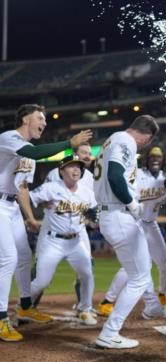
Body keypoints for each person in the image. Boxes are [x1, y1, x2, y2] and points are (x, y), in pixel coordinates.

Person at [0, 103, 92, 342]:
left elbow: (21, 187)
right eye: (40, 118)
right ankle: (0, 319)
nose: (45, 122)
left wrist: (29, 216)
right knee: (8, 258)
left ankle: (25, 306)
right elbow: (35, 154)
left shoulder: (28, 151)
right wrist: (68, 144)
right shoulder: (10, 138)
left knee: (23, 256)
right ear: (25, 120)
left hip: (10, 206)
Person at [93, 114, 166, 349]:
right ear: (147, 136)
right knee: (139, 277)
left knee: (141, 267)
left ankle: (153, 306)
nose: (145, 145)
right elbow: (115, 176)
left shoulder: (112, 140)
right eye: (148, 141)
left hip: (112, 213)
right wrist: (132, 203)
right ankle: (110, 331)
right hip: (118, 213)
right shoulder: (124, 141)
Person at [97, 145, 166, 318]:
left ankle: (162, 296)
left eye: (158, 157)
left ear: (163, 160)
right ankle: (107, 301)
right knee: (133, 267)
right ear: (146, 159)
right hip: (135, 223)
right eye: (152, 157)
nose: (155, 159)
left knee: (165, 264)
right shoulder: (138, 174)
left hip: (151, 224)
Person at [19, 155, 97, 326]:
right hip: (53, 241)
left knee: (87, 274)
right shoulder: (51, 188)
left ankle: (85, 309)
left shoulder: (87, 193)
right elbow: (27, 198)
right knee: (41, 281)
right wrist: (30, 217)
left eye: (78, 167)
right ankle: (22, 307)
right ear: (62, 171)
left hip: (76, 242)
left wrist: (94, 217)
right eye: (71, 167)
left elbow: (94, 214)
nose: (76, 169)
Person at [34, 142, 94, 309]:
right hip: (53, 227)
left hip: (79, 228)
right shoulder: (56, 173)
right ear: (75, 153)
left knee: (87, 265)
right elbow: (43, 200)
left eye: (89, 153)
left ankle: (83, 306)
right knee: (41, 269)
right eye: (84, 152)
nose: (87, 156)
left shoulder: (88, 176)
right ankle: (30, 306)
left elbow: (89, 203)